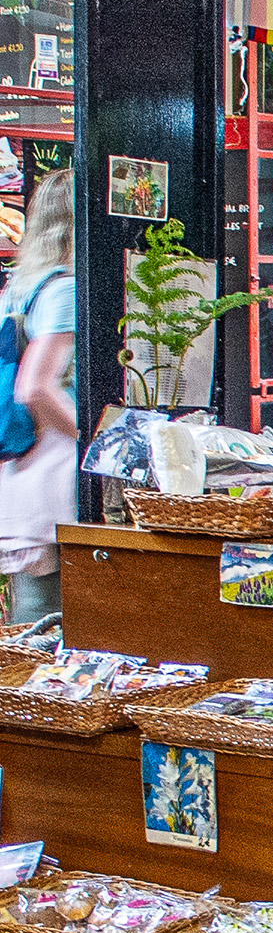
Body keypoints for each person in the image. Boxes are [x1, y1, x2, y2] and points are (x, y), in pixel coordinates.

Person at [0, 168, 80, 626]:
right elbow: (36, 385)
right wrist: (94, 440)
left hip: (21, 471)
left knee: (32, 631)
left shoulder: (22, 286)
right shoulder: (67, 287)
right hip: (56, 476)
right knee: (49, 630)